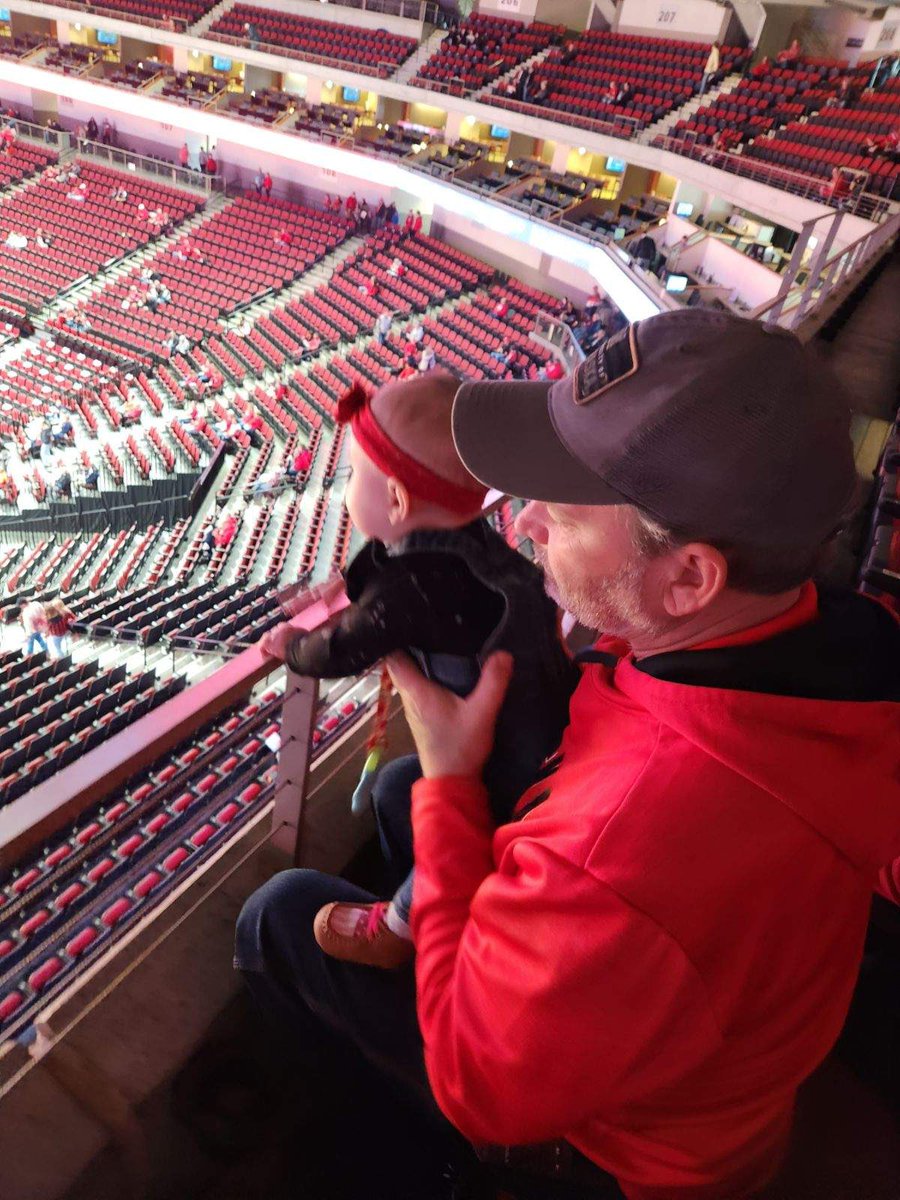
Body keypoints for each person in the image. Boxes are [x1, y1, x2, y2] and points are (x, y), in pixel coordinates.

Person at [237, 309, 899, 1200]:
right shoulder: (843, 645)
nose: (530, 522)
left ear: (690, 578)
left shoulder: (623, 852)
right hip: (719, 1085)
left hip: (614, 1158)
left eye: (567, 511)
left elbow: (482, 1085)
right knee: (395, 795)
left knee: (281, 912)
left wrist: (450, 785)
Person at [257, 370, 576, 965]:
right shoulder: (471, 542)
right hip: (547, 705)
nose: (348, 490)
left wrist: (292, 645)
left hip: (511, 749)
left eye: (355, 477)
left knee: (478, 817)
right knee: (408, 788)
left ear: (399, 501)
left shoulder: (410, 589)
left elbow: (342, 649)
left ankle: (406, 925)